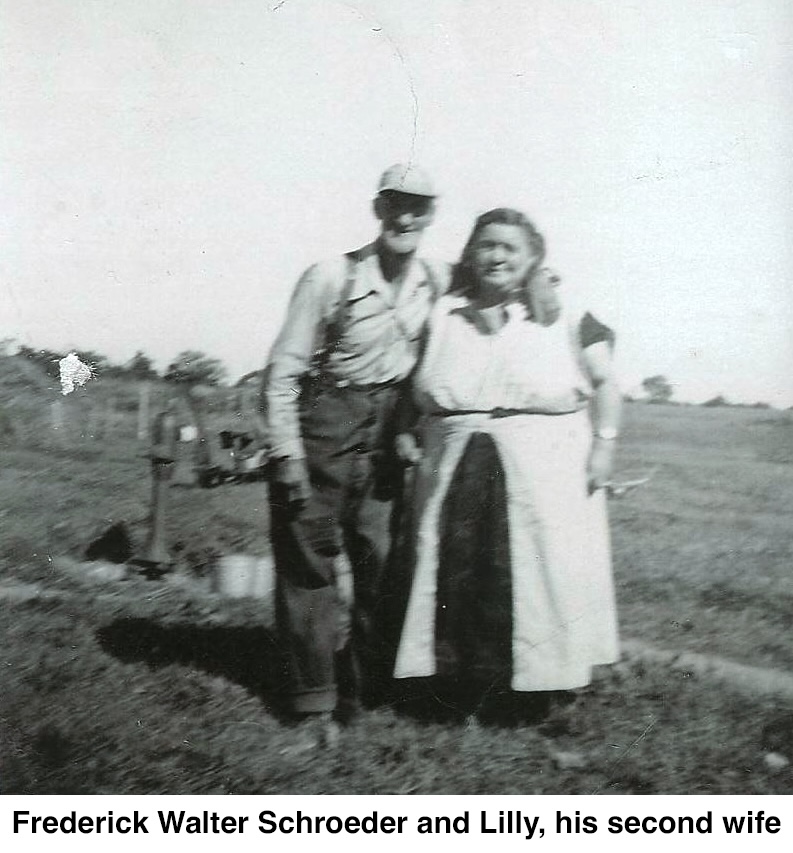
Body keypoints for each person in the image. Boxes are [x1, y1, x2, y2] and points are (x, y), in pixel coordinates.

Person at [391, 207, 621, 723]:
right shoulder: (443, 313)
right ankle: (453, 682)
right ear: (470, 254)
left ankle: (536, 689)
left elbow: (605, 384)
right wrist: (406, 428)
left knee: (537, 570)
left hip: (544, 461)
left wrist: (604, 445)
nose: (496, 256)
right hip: (453, 455)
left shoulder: (566, 314)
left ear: (534, 257)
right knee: (453, 567)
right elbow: (413, 386)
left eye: (509, 247)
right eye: (486, 245)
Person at [261, 164, 448, 746]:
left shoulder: (437, 281)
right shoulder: (330, 276)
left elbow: (507, 270)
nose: (407, 217)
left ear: (432, 215)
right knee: (308, 562)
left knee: (383, 563)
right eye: (396, 204)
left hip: (389, 434)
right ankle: (312, 701)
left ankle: (363, 689)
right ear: (378, 208)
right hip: (325, 424)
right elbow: (283, 372)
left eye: (419, 206)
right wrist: (287, 455)